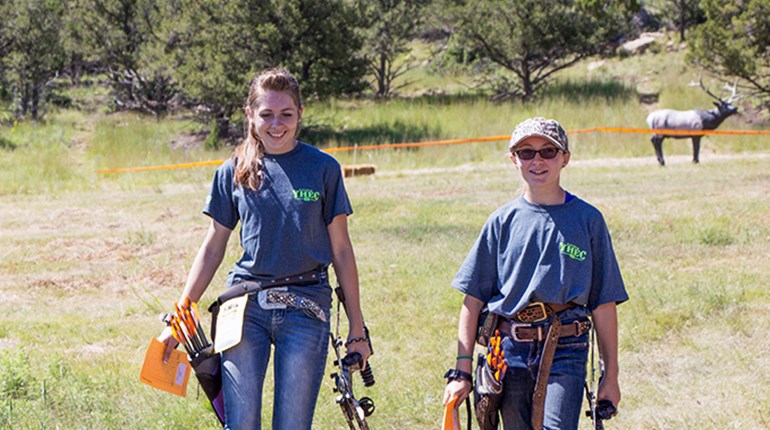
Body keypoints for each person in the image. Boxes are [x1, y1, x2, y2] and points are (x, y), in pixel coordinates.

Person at [158, 67, 370, 430]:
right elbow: (213, 246)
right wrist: (182, 314)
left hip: (307, 307)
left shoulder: (324, 169)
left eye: (286, 114)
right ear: (249, 115)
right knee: (240, 424)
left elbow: (342, 251)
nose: (276, 124)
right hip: (244, 309)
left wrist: (357, 330)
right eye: (266, 114)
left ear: (300, 114)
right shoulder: (234, 170)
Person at [442, 117, 628, 430]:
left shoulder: (588, 220)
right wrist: (461, 372)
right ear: (513, 159)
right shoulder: (502, 221)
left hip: (566, 345)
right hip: (510, 349)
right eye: (526, 152)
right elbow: (472, 300)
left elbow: (603, 302)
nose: (537, 160)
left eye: (548, 151)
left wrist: (611, 375)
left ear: (565, 158)